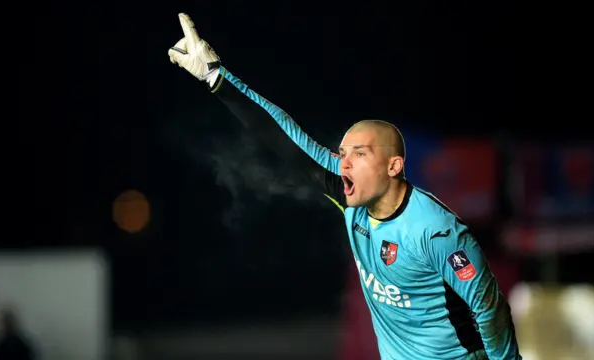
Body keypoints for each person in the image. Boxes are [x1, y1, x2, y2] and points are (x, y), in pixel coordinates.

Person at [167, 13, 522, 360]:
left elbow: (489, 308)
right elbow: (282, 139)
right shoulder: (349, 198)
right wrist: (217, 77)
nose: (345, 161)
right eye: (342, 153)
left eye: (360, 153)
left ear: (394, 166)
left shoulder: (436, 231)